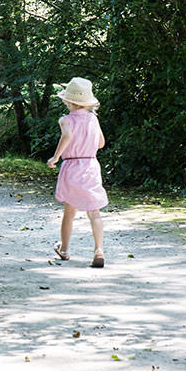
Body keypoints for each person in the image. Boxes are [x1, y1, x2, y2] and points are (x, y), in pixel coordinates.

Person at [47, 77, 108, 267]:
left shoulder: (65, 120)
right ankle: (99, 250)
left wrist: (55, 157)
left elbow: (67, 136)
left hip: (72, 166)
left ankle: (64, 250)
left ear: (68, 101)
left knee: (69, 211)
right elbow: (101, 143)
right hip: (90, 166)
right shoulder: (93, 119)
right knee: (94, 212)